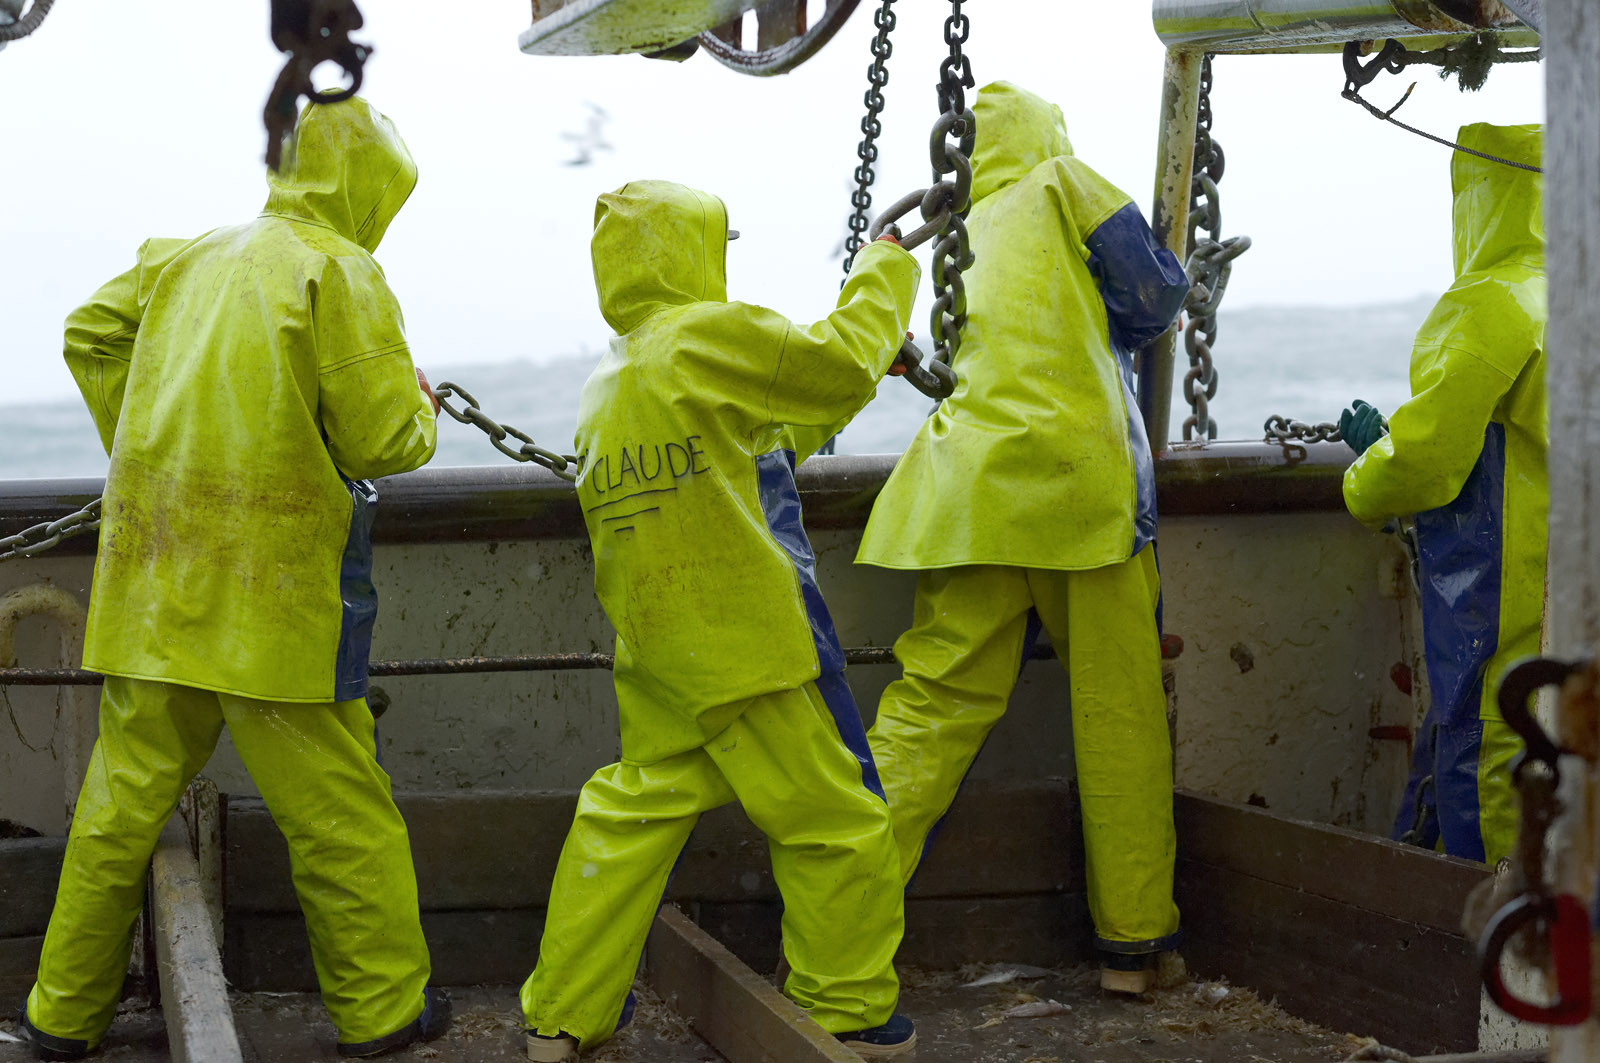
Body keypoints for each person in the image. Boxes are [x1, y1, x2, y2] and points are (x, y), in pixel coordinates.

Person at [19, 97, 449, 1060]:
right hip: (277, 611)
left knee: (115, 810)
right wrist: (424, 411)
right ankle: (383, 1015)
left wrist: (151, 450)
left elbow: (90, 331)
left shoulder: (184, 256)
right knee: (343, 818)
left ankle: (58, 1014)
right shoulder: (341, 269)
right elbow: (383, 437)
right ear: (370, 189)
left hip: (156, 590)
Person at [521, 180, 920, 1061]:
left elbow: (761, 444)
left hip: (661, 654)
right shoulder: (705, 334)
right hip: (749, 646)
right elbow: (837, 360)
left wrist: (859, 382)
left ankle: (564, 1013)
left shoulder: (612, 380)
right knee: (836, 822)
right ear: (693, 250)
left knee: (629, 816)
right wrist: (884, 277)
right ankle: (847, 1006)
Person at [856, 81, 1189, 994]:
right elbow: (1157, 295)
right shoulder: (1062, 182)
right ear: (1047, 136)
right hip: (1083, 495)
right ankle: (1134, 946)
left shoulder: (959, 239)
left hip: (967, 501)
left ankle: (832, 926)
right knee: (1117, 715)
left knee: (927, 715)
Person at [1340, 123, 1546, 866]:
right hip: (1572, 591)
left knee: (1486, 744)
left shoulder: (1491, 303)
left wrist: (1368, 468)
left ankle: (1490, 961)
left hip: (1500, 597)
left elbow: (1426, 462)